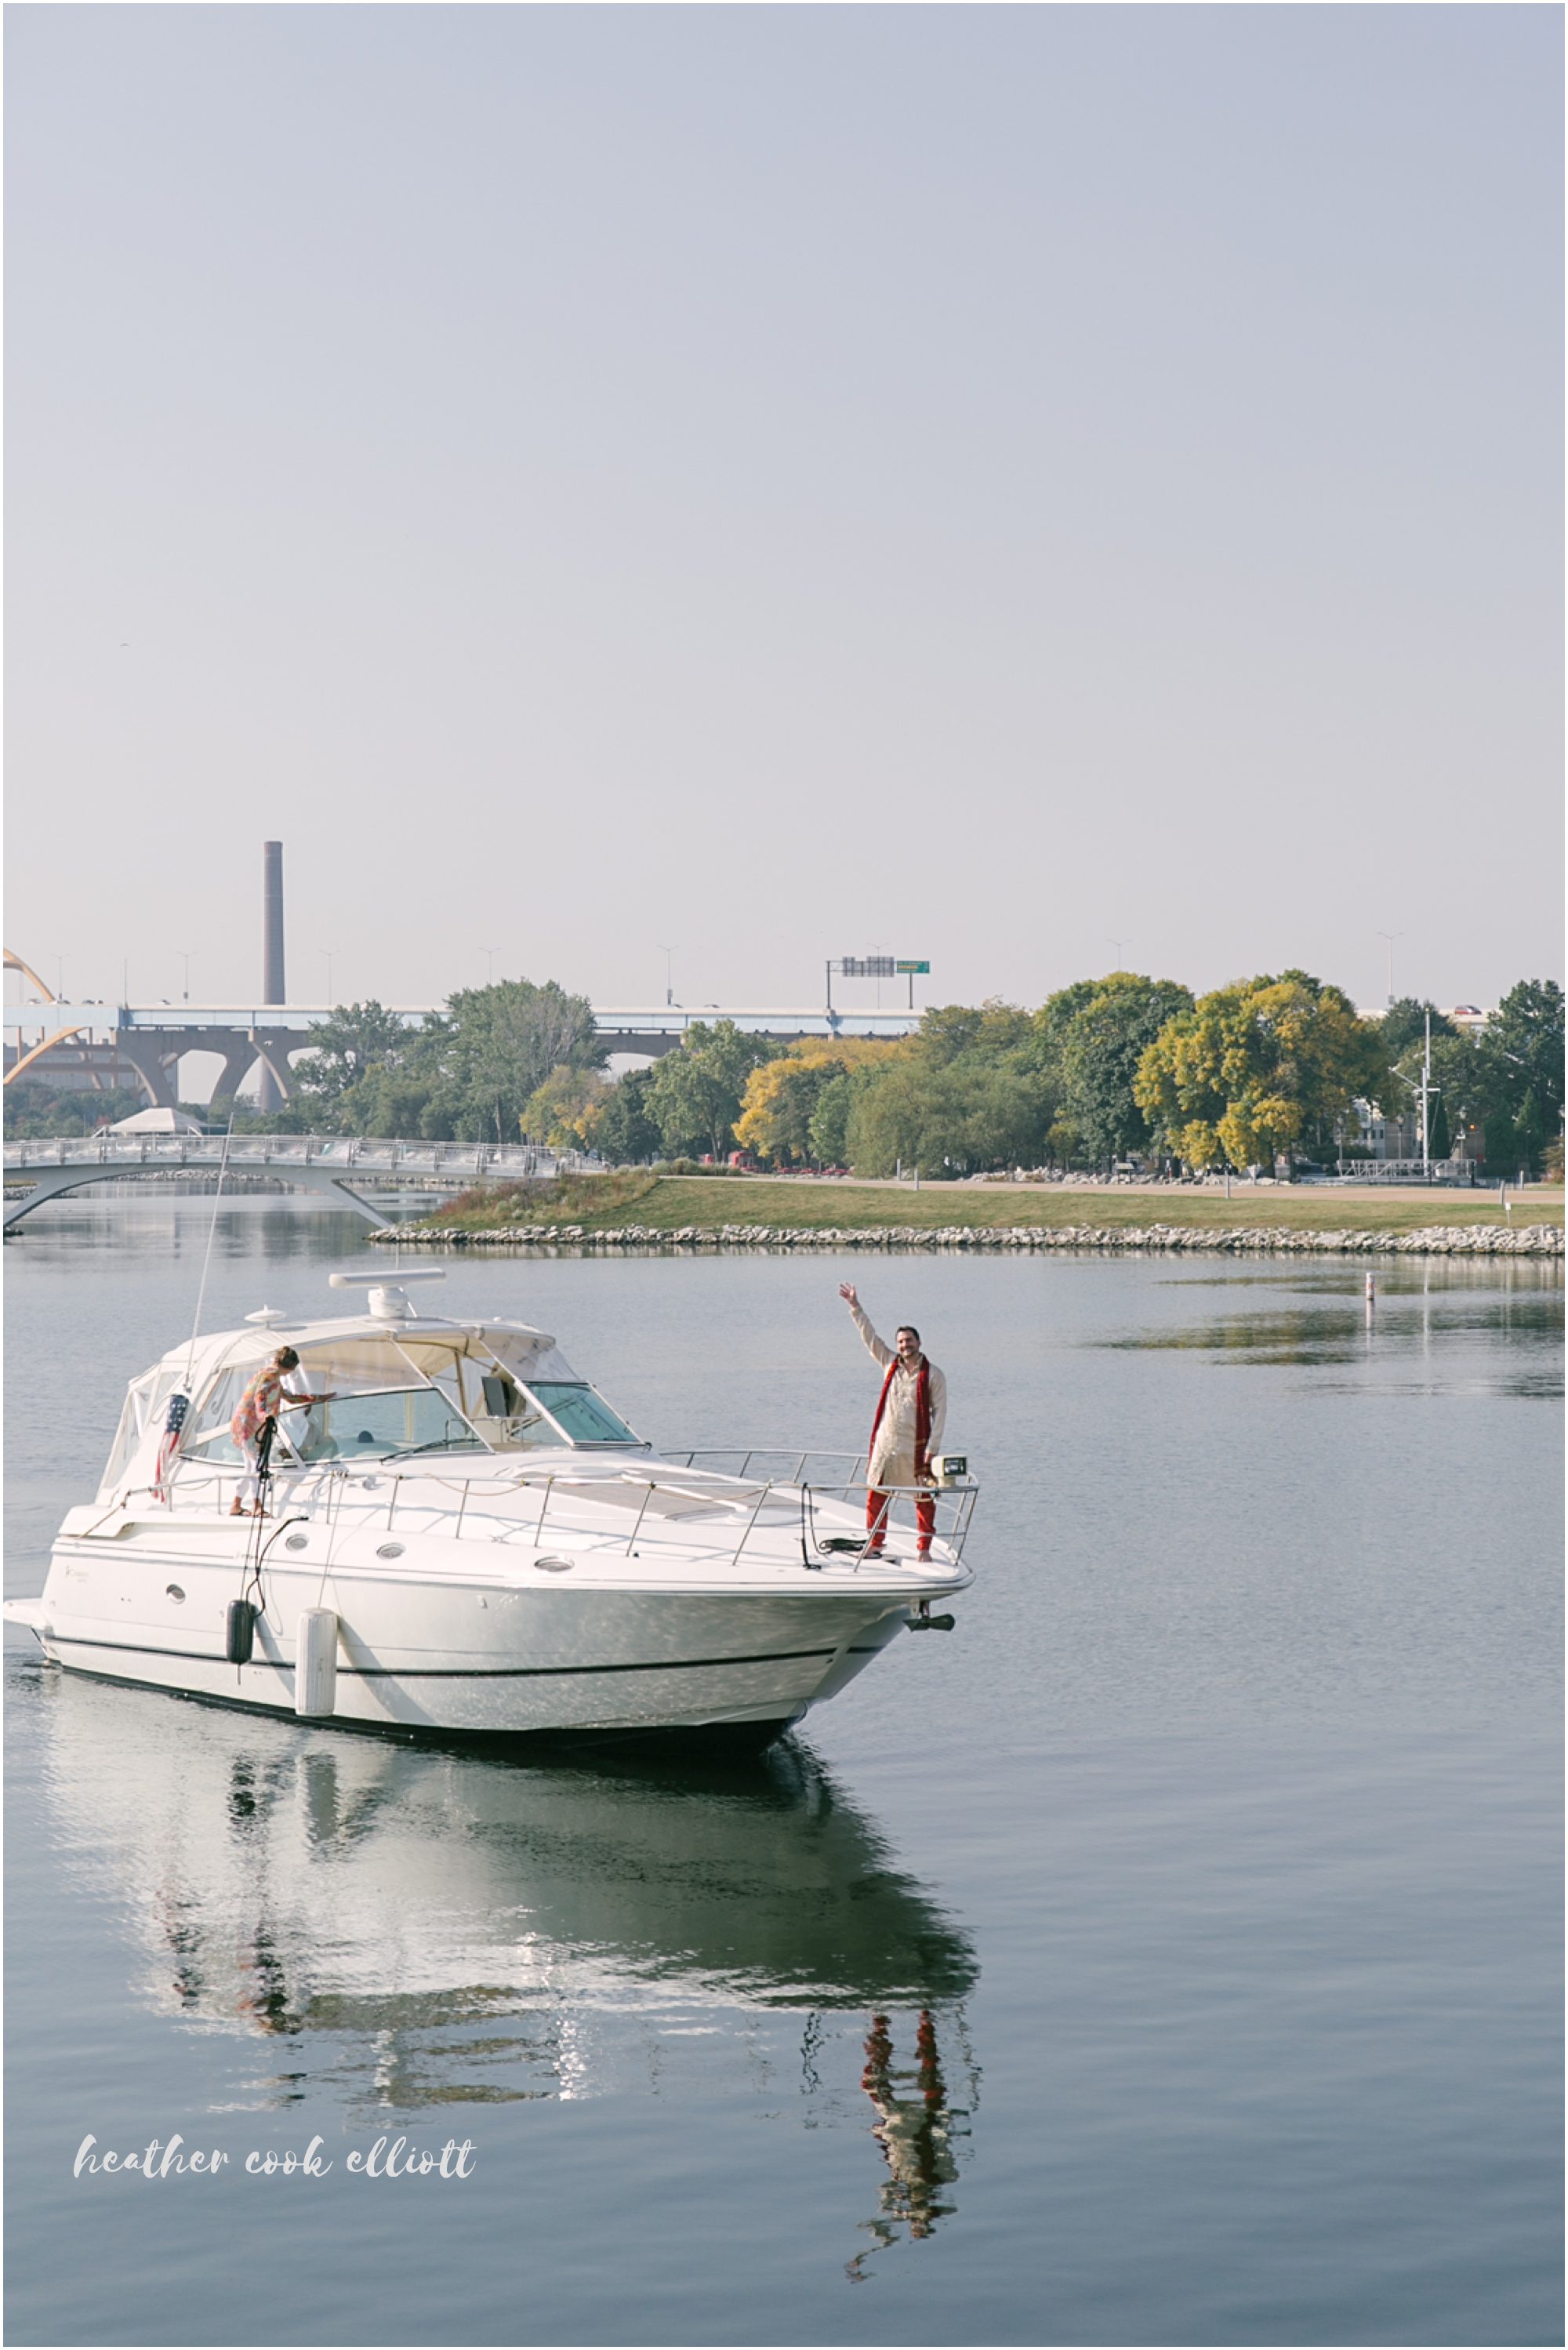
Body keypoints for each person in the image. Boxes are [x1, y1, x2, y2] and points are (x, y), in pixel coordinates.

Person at [838, 1284, 946, 1556]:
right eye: (900, 1342)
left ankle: (924, 1548)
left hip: (916, 1446)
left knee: (923, 1499)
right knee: (876, 1495)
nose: (904, 1345)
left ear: (919, 1343)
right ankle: (875, 1544)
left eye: (908, 1341)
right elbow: (870, 1338)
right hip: (887, 1444)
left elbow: (940, 1413)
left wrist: (932, 1450)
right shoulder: (889, 1364)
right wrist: (855, 1307)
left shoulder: (933, 1375)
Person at [229, 1347, 334, 1515]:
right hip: (249, 1426)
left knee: (250, 1467)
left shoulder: (272, 1376)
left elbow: (290, 1398)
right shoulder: (269, 1376)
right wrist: (264, 1416)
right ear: (289, 1366)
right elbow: (260, 1396)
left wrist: (318, 1398)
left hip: (248, 1425)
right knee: (257, 1466)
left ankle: (236, 1505)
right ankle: (258, 1507)